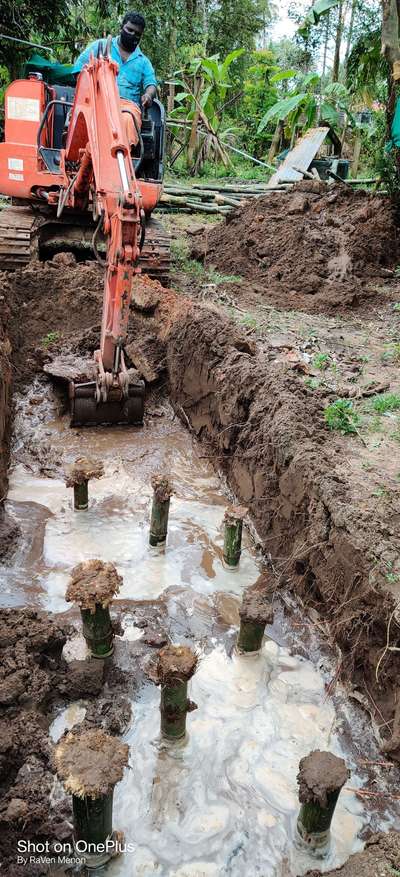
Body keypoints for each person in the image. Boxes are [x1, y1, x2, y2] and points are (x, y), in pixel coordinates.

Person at [73, 11, 157, 148]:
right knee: (86, 119)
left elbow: (151, 84)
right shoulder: (100, 46)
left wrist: (148, 95)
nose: (133, 35)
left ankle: (124, 155)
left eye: (137, 34)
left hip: (127, 107)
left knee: (127, 120)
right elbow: (78, 71)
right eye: (129, 30)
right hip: (97, 101)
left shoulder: (143, 62)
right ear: (121, 27)